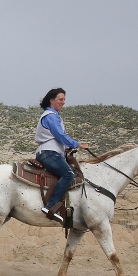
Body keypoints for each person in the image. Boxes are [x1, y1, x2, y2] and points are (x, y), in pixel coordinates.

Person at [34, 88, 90, 223]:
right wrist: (77, 144)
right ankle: (51, 206)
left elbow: (55, 137)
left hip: (51, 152)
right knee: (68, 175)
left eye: (64, 99)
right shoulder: (51, 116)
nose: (63, 102)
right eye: (60, 99)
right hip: (49, 153)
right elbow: (60, 135)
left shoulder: (53, 115)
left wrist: (66, 147)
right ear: (51, 100)